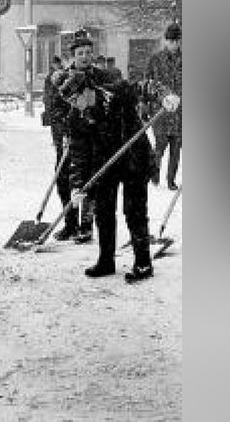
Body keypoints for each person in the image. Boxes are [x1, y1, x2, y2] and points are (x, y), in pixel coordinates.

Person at [81, 78, 157, 282]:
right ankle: (106, 261)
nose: (80, 102)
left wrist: (165, 95)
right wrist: (80, 183)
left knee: (135, 211)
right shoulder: (80, 112)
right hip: (106, 161)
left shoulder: (115, 92)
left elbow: (146, 87)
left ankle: (143, 263)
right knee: (103, 211)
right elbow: (80, 149)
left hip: (134, 158)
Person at [50, 32, 116, 244]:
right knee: (63, 180)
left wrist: (98, 121)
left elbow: (109, 107)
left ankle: (86, 226)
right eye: (80, 53)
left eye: (88, 52)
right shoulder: (63, 78)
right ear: (73, 56)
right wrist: (63, 128)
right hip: (69, 138)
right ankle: (70, 224)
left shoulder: (101, 77)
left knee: (89, 181)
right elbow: (54, 108)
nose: (85, 57)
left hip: (93, 139)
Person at [41, 55, 78, 240]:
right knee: (63, 183)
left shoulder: (78, 85)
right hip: (62, 143)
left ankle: (80, 226)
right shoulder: (56, 86)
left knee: (79, 184)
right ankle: (71, 224)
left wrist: (71, 131)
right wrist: (61, 134)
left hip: (79, 145)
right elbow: (54, 112)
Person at [145, 22, 183, 190]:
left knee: (176, 147)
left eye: (176, 40)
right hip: (161, 111)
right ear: (165, 41)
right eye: (170, 40)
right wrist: (161, 95)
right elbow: (148, 83)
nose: (173, 44)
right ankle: (155, 172)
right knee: (160, 144)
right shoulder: (156, 59)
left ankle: (171, 179)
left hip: (180, 112)